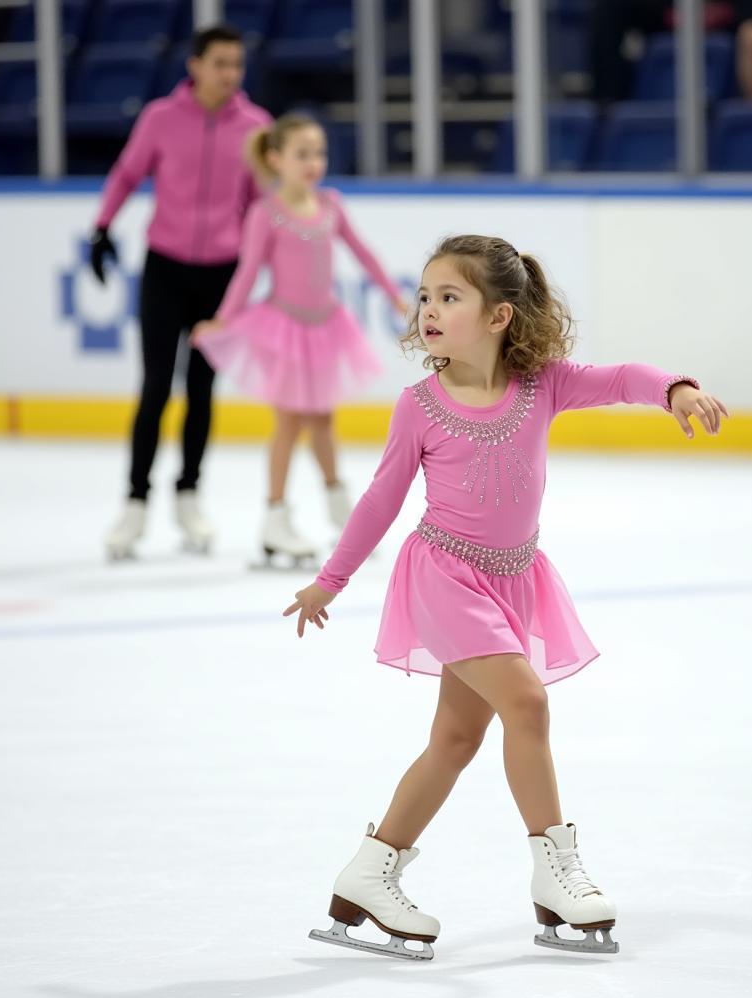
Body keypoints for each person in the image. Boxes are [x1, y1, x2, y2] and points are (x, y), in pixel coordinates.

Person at [283, 235, 729, 960]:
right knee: (527, 702)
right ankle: (557, 870)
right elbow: (380, 500)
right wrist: (328, 580)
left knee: (455, 742)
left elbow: (620, 377)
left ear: (499, 316)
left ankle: (370, 872)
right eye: (425, 296)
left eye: (449, 296)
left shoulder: (541, 386)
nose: (428, 309)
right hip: (444, 576)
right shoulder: (420, 405)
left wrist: (674, 388)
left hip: (512, 578)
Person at [191, 114, 406, 564]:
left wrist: (393, 296)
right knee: (288, 422)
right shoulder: (264, 213)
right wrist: (222, 320)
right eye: (302, 154)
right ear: (276, 159)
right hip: (284, 329)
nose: (313, 162)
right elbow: (247, 274)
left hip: (326, 327)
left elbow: (363, 253)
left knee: (323, 420)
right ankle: (274, 517)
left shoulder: (330, 205)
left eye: (319, 153)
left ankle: (341, 514)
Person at [93, 24, 271, 560]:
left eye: (236, 65)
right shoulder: (161, 118)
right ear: (194, 65)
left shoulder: (255, 126)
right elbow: (127, 174)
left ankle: (189, 492)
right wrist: (101, 227)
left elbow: (264, 202)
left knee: (201, 389)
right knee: (153, 386)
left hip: (221, 274)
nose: (229, 74)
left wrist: (269, 258)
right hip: (165, 267)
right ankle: (135, 501)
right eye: (220, 63)